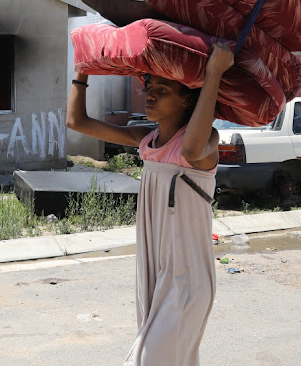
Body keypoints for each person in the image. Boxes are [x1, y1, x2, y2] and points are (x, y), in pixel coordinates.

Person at [66, 43, 235, 365]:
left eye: (163, 89)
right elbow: (77, 122)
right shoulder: (146, 140)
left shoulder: (206, 140)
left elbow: (190, 150)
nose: (150, 95)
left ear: (187, 99)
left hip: (187, 281)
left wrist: (213, 73)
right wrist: (83, 66)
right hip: (154, 277)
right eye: (149, 88)